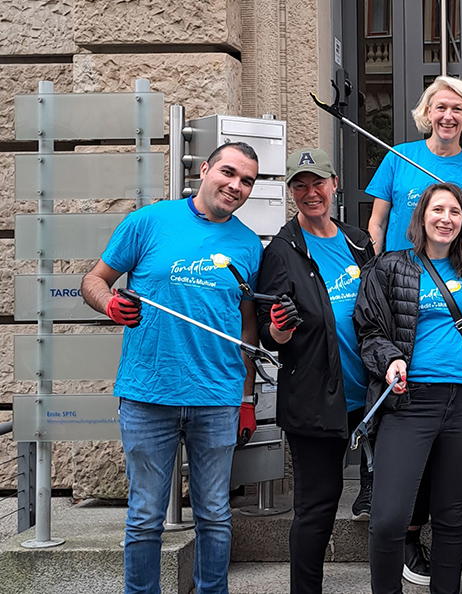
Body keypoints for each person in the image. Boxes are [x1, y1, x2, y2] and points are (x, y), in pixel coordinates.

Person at [80, 142, 263, 594]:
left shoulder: (247, 244)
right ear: (203, 170)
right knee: (145, 516)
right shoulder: (148, 221)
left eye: (247, 182)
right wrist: (110, 306)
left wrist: (246, 397)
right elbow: (93, 280)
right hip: (147, 393)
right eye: (228, 172)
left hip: (217, 397)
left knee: (216, 515)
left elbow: (247, 324)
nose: (236, 186)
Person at [354, 182, 462, 594]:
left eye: (455, 212)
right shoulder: (388, 268)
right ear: (421, 217)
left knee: (452, 516)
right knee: (388, 517)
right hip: (410, 401)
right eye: (438, 210)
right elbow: (368, 332)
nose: (446, 219)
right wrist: (390, 360)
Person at [256, 148, 375, 593]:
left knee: (389, 500)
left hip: (372, 397)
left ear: (334, 184)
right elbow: (269, 338)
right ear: (291, 192)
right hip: (315, 400)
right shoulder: (281, 253)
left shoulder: (358, 241)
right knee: (318, 506)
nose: (311, 193)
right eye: (300, 186)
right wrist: (280, 329)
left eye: (318, 182)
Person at [367, 76, 462, 254]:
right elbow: (377, 223)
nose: (448, 116)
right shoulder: (398, 157)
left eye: (457, 109)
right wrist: (373, 269)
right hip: (398, 271)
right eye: (441, 107)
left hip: (452, 275)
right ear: (428, 112)